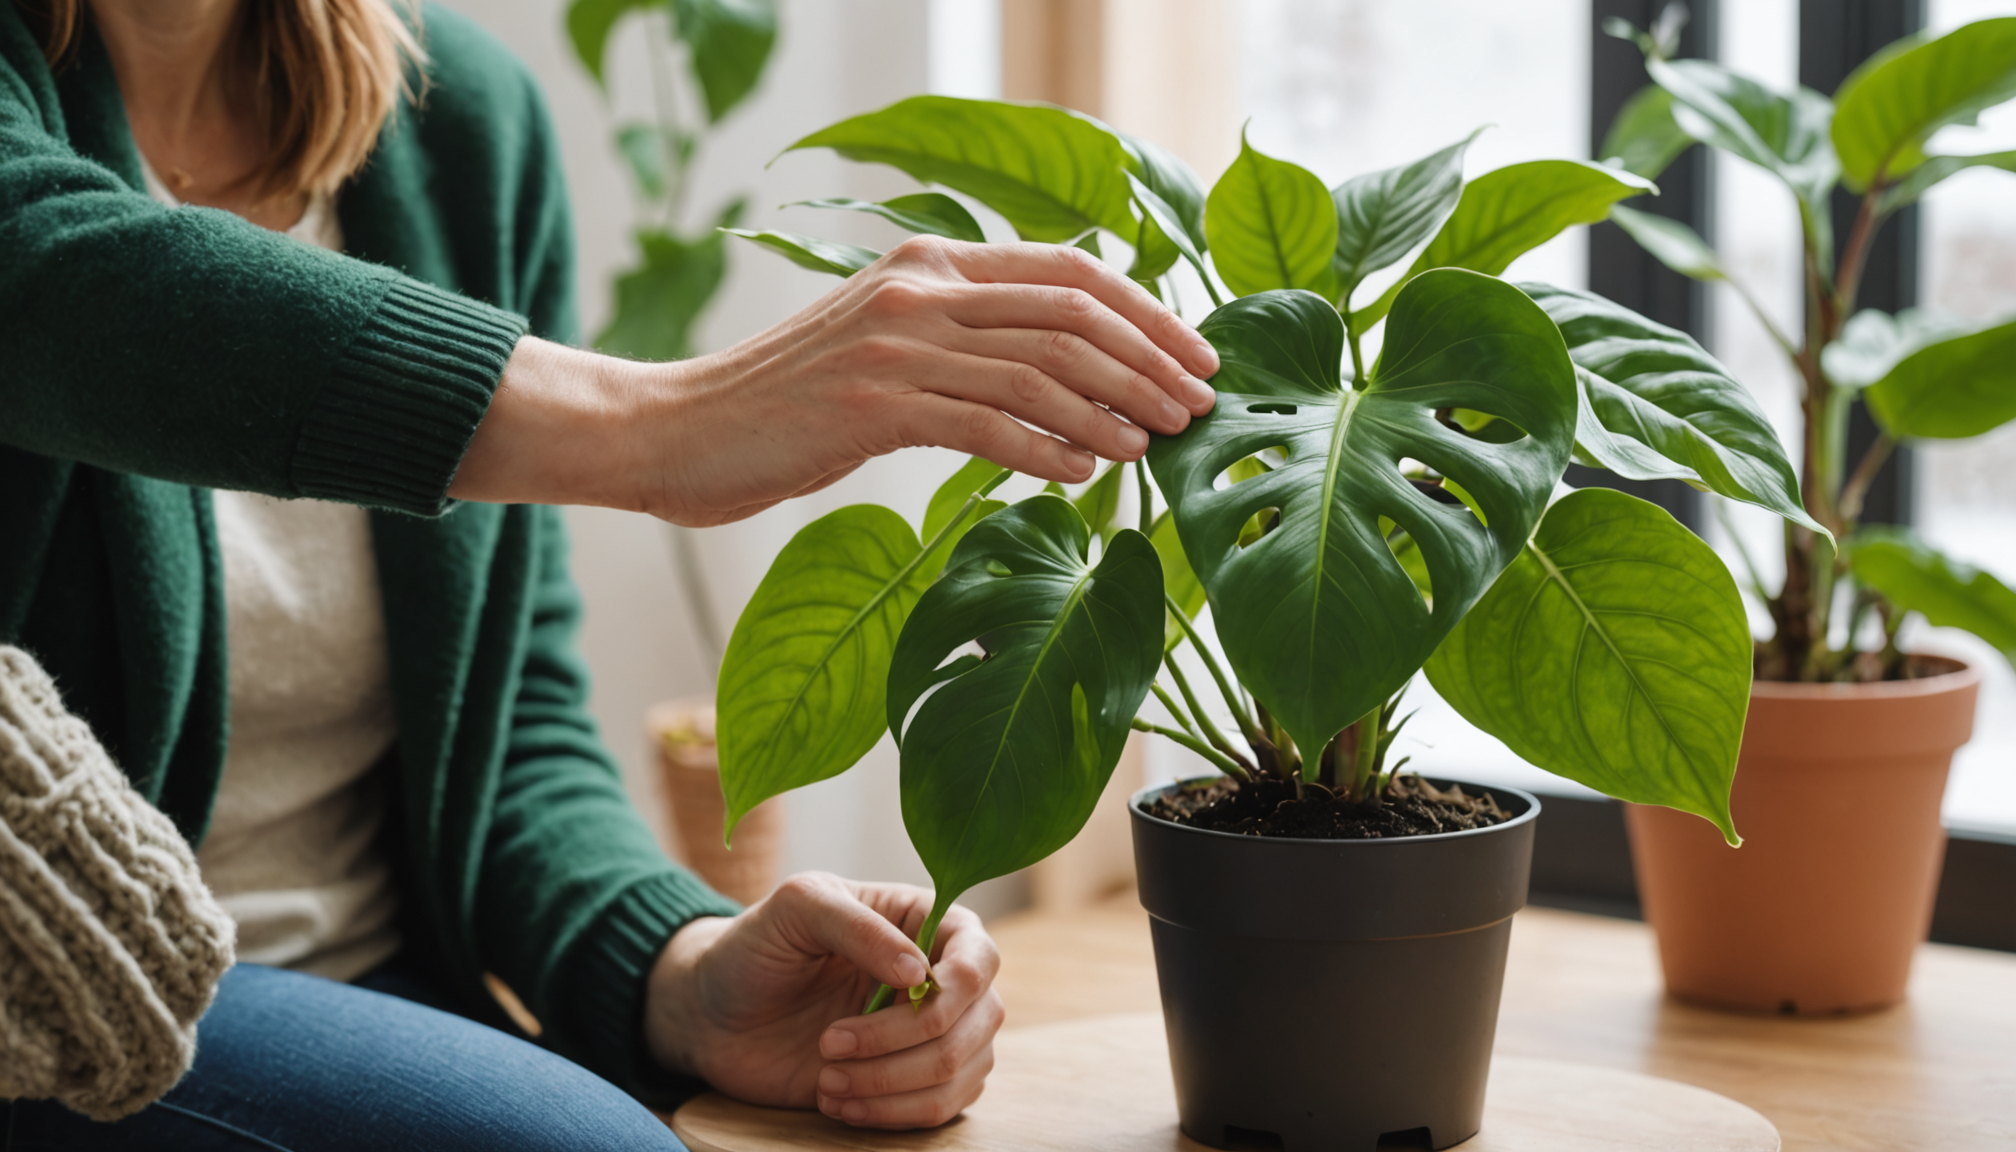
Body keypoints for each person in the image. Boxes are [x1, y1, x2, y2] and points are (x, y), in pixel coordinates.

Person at [0, 0, 1219, 1148]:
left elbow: (511, 723)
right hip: (66, 993)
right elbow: (52, 279)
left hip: (385, 988)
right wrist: (662, 423)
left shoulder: (456, 122)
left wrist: (681, 969)